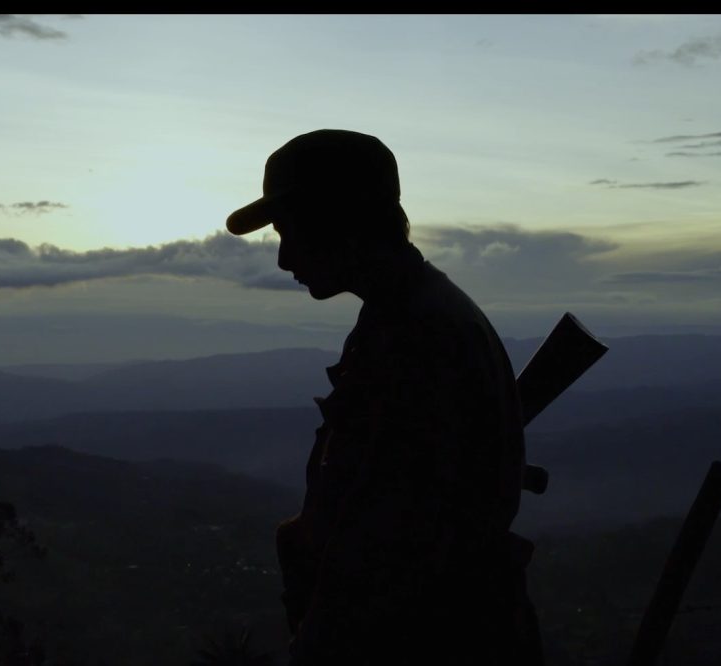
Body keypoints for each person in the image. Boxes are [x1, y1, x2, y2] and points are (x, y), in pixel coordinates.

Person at [226, 130, 543, 664]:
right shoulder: (408, 317)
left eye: (289, 230)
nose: (282, 260)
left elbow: (387, 547)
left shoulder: (417, 337)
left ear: (339, 217)